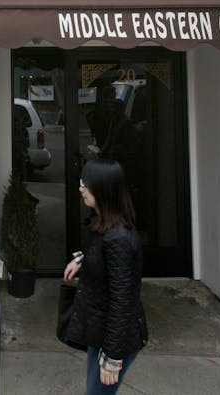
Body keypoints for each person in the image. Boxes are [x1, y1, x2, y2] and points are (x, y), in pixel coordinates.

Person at [62, 159, 147, 395]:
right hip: (100, 333)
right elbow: (102, 257)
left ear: (103, 189)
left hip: (114, 341)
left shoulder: (119, 239)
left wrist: (112, 357)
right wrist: (81, 260)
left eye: (86, 183)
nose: (81, 188)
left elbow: (122, 302)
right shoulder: (104, 225)